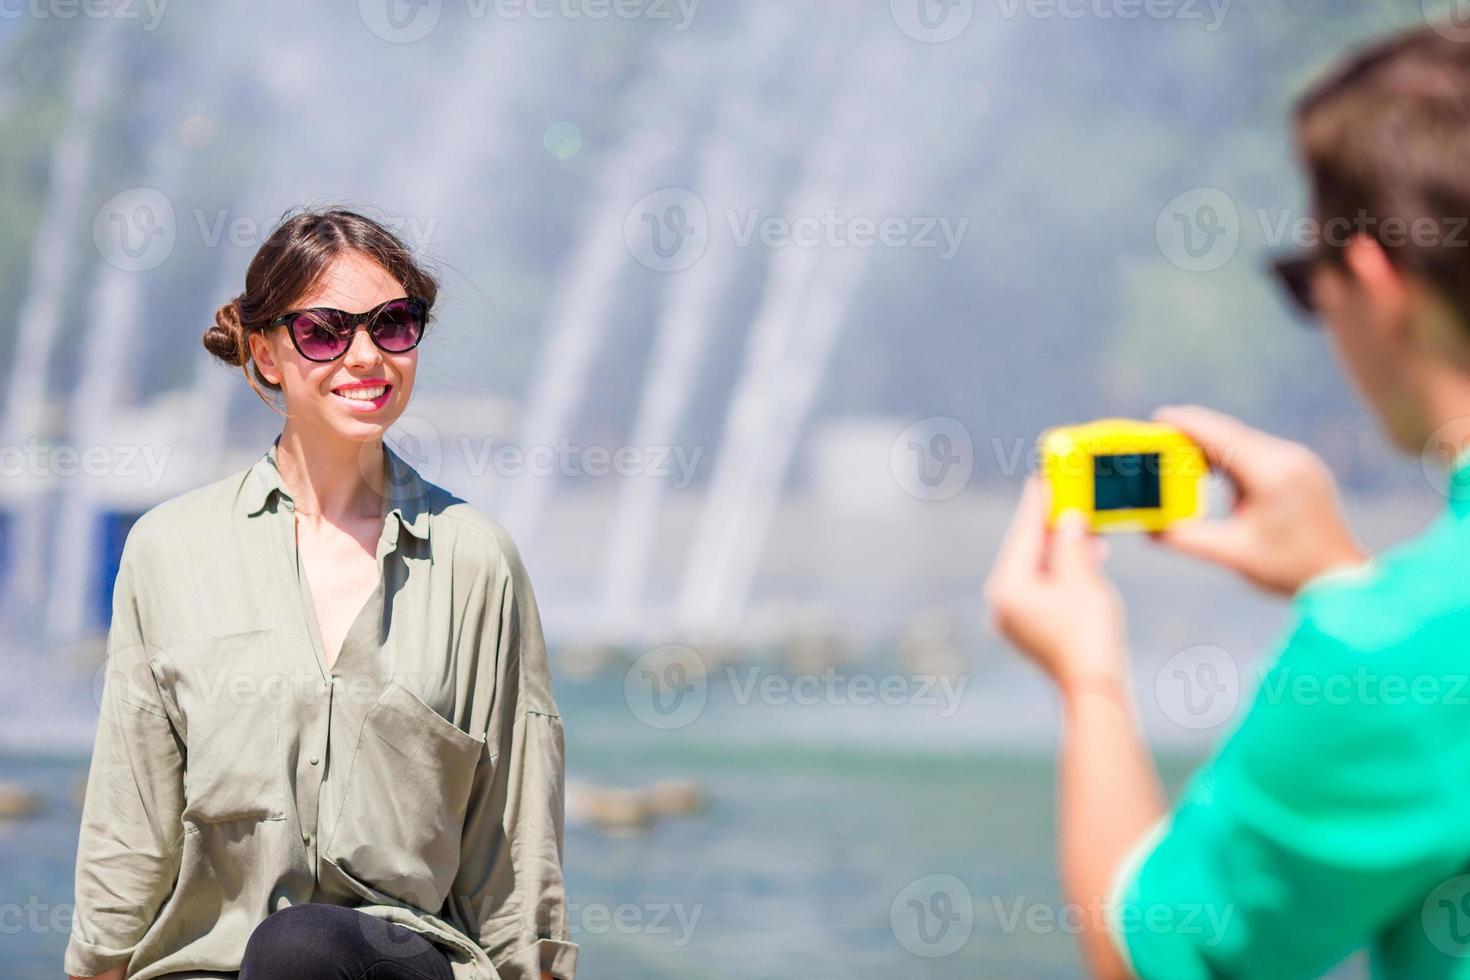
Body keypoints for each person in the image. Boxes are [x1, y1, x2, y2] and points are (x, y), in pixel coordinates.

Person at [985, 24, 1470, 980]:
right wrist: (1344, 582)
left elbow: (1153, 958)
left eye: (1305, 280)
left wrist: (1089, 680)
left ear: (1375, 280)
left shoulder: (1399, 646)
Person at [62, 208, 577, 980]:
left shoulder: (477, 562)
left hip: (400, 963)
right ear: (265, 353)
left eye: (394, 324)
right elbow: (130, 818)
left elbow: (514, 835)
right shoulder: (169, 552)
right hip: (207, 969)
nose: (366, 356)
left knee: (299, 949)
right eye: (326, 332)